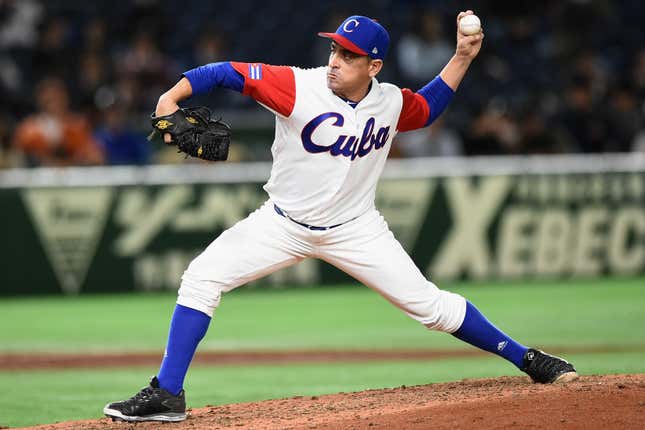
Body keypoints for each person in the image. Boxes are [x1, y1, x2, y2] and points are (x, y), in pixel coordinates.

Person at [104, 11, 577, 423]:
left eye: (349, 55)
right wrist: (170, 99)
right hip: (282, 225)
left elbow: (428, 108)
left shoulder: (388, 100)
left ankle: (529, 358)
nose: (335, 60)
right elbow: (226, 71)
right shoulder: (298, 85)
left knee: (432, 309)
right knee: (202, 278)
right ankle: (167, 394)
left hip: (357, 230)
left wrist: (463, 57)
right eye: (334, 49)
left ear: (374, 66)